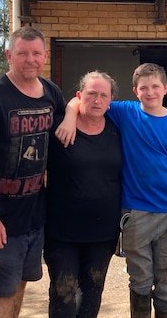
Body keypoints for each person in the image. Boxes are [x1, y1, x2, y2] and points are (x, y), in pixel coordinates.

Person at [57, 62, 167, 318]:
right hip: (135, 214)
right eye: (144, 88)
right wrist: (68, 116)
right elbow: (82, 101)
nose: (150, 92)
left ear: (165, 88)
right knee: (140, 279)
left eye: (155, 87)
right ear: (135, 91)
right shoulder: (126, 112)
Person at [0, 26, 65, 318]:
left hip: (33, 215)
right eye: (22, 53)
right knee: (1, 294)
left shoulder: (51, 92)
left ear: (45, 56)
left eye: (36, 53)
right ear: (9, 56)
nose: (30, 59)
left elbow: (71, 114)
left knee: (20, 286)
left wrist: (70, 114)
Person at [45, 71, 122, 318]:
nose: (97, 100)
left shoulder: (118, 130)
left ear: (111, 100)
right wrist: (69, 114)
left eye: (103, 95)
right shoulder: (58, 129)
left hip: (103, 233)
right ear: (79, 96)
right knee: (63, 293)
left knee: (92, 292)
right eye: (91, 94)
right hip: (61, 232)